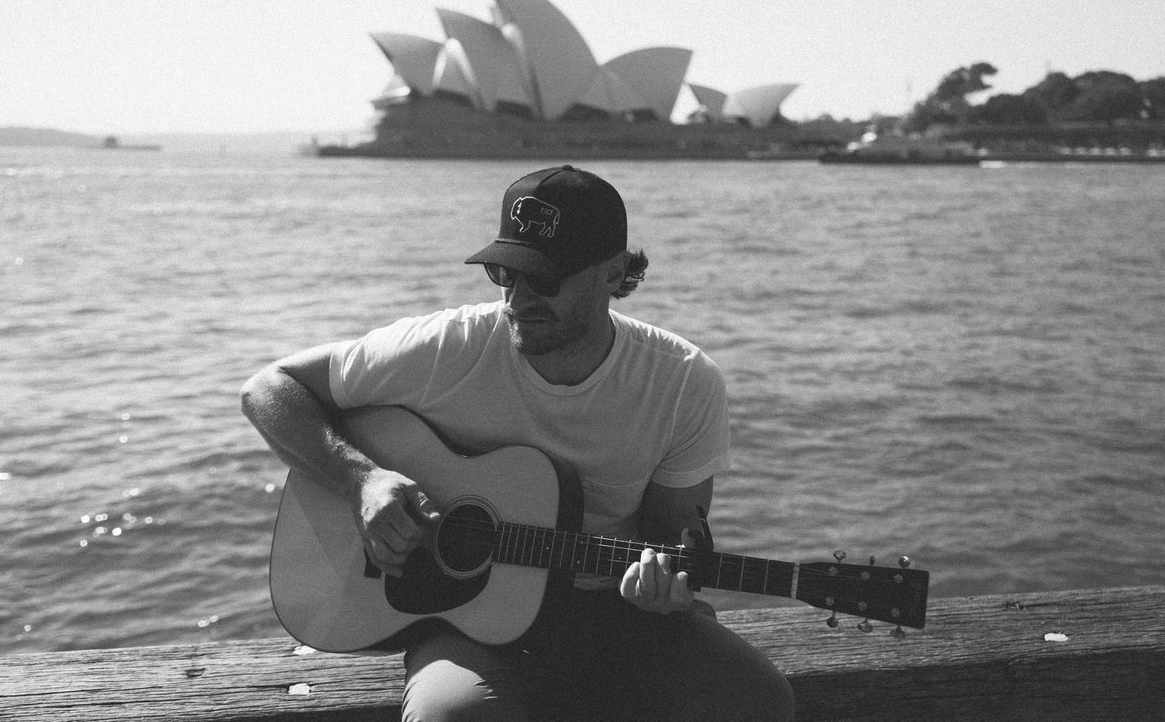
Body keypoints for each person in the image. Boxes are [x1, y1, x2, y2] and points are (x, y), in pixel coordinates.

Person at [241, 165, 795, 721]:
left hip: (616, 612)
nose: (517, 297)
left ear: (614, 273)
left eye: (544, 277)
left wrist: (664, 587)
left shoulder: (681, 382)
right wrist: (362, 479)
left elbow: (672, 533)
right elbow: (269, 388)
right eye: (505, 272)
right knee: (452, 716)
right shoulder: (448, 347)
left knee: (757, 699)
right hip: (470, 625)